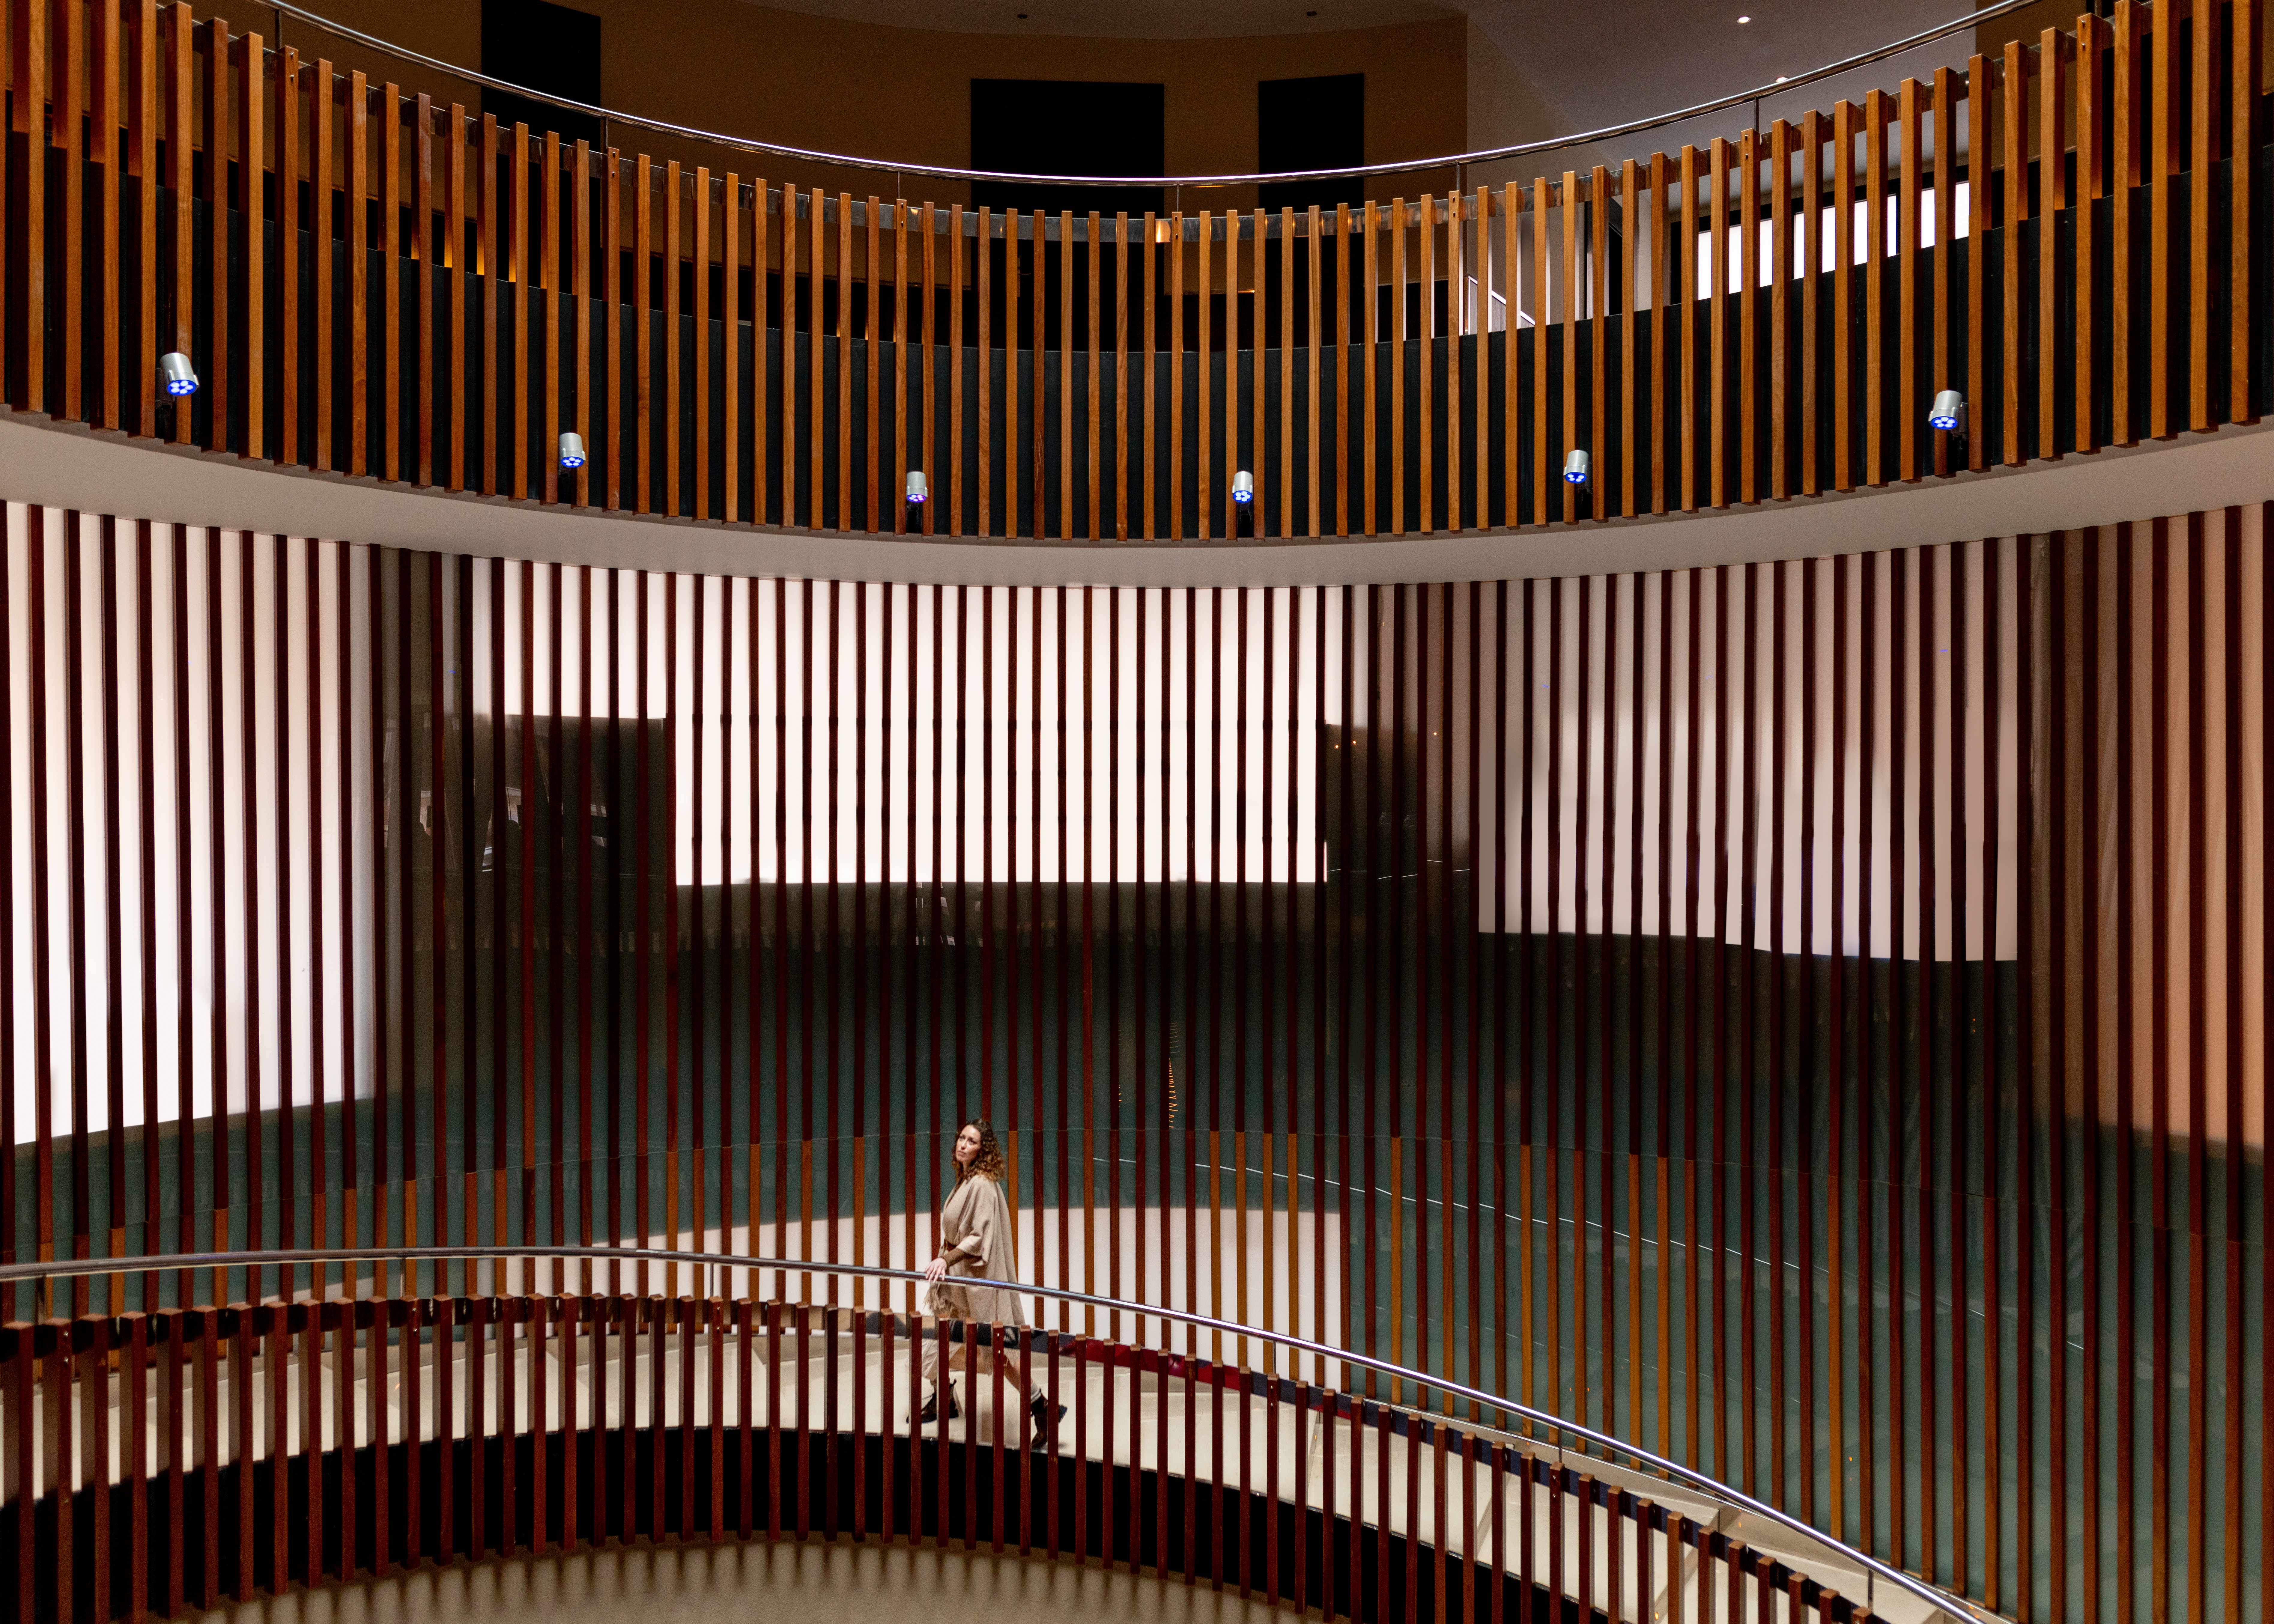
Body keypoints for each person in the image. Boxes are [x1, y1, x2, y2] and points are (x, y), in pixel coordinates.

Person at [916, 1118, 1066, 1446]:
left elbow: (978, 1237)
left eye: (972, 1141)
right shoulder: (966, 1179)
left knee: (998, 1354)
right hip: (957, 1285)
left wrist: (946, 1260)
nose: (963, 1144)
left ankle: (1042, 1407)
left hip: (975, 1285)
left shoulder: (982, 1184)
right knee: (935, 1344)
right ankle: (945, 1398)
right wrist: (945, 1260)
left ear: (982, 1150)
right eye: (962, 1137)